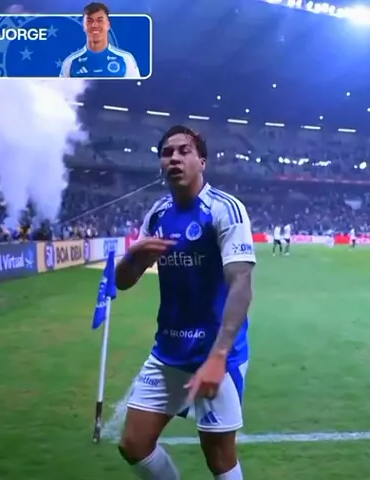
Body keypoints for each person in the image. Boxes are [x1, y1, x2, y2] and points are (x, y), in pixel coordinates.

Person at [115, 125, 256, 479]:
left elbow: (241, 284)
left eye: (184, 151)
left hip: (214, 353)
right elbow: (123, 282)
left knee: (219, 457)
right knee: (133, 444)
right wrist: (132, 257)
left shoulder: (225, 209)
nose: (174, 158)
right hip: (168, 351)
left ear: (202, 161)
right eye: (167, 153)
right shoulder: (158, 214)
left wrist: (218, 357)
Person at [59, 2, 141, 78]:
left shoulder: (126, 59)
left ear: (108, 24)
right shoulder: (70, 62)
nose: (94, 25)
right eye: (89, 21)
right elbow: (62, 89)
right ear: (83, 26)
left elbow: (135, 88)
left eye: (100, 20)